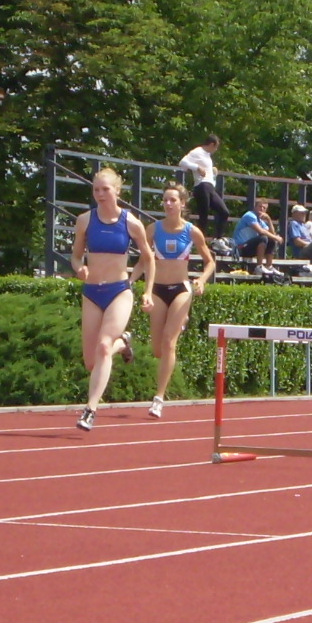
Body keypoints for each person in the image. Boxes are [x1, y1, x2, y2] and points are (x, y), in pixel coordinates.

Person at [72, 167, 155, 431]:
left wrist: (147, 290)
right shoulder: (85, 220)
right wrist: (79, 268)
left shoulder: (131, 223)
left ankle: (90, 410)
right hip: (92, 292)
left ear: (117, 191)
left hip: (119, 291)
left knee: (104, 346)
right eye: (96, 189)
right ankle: (124, 343)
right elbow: (75, 255)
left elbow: (148, 257)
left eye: (105, 189)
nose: (100, 194)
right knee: (91, 361)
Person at [143, 182, 216, 419]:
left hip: (182, 289)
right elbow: (143, 260)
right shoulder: (152, 229)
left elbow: (210, 262)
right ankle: (179, 321)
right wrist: (130, 281)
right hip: (157, 288)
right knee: (156, 350)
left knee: (168, 342)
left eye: (173, 200)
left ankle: (158, 398)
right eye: (165, 200)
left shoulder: (192, 231)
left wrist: (202, 280)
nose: (168, 203)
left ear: (182, 204)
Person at [179, 135, 230, 230]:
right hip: (202, 185)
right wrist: (197, 168)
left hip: (210, 187)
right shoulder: (197, 151)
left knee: (224, 212)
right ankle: (200, 239)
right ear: (211, 145)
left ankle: (217, 238)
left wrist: (213, 173)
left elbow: (207, 172)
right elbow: (182, 163)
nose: (216, 150)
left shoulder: (208, 156)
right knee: (204, 215)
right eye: (216, 147)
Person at [231, 197, 280, 268]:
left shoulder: (260, 221)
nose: (262, 209)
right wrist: (276, 237)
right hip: (240, 248)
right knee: (263, 238)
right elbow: (260, 231)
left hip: (250, 249)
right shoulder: (249, 215)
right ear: (255, 207)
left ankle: (269, 266)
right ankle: (259, 266)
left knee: (271, 240)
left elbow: (272, 234)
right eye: (260, 206)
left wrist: (269, 220)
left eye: (264, 208)